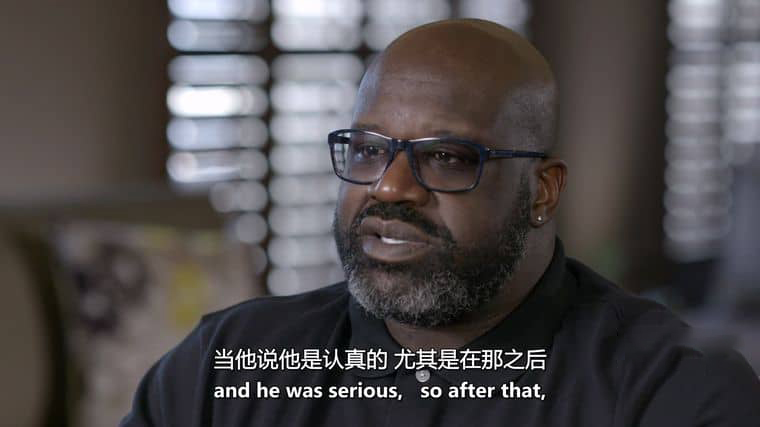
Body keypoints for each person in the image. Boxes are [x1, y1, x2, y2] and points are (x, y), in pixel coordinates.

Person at [121, 19, 760, 426]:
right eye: (369, 149)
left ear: (542, 190)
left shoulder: (672, 392)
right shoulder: (224, 366)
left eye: (447, 157)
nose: (390, 187)